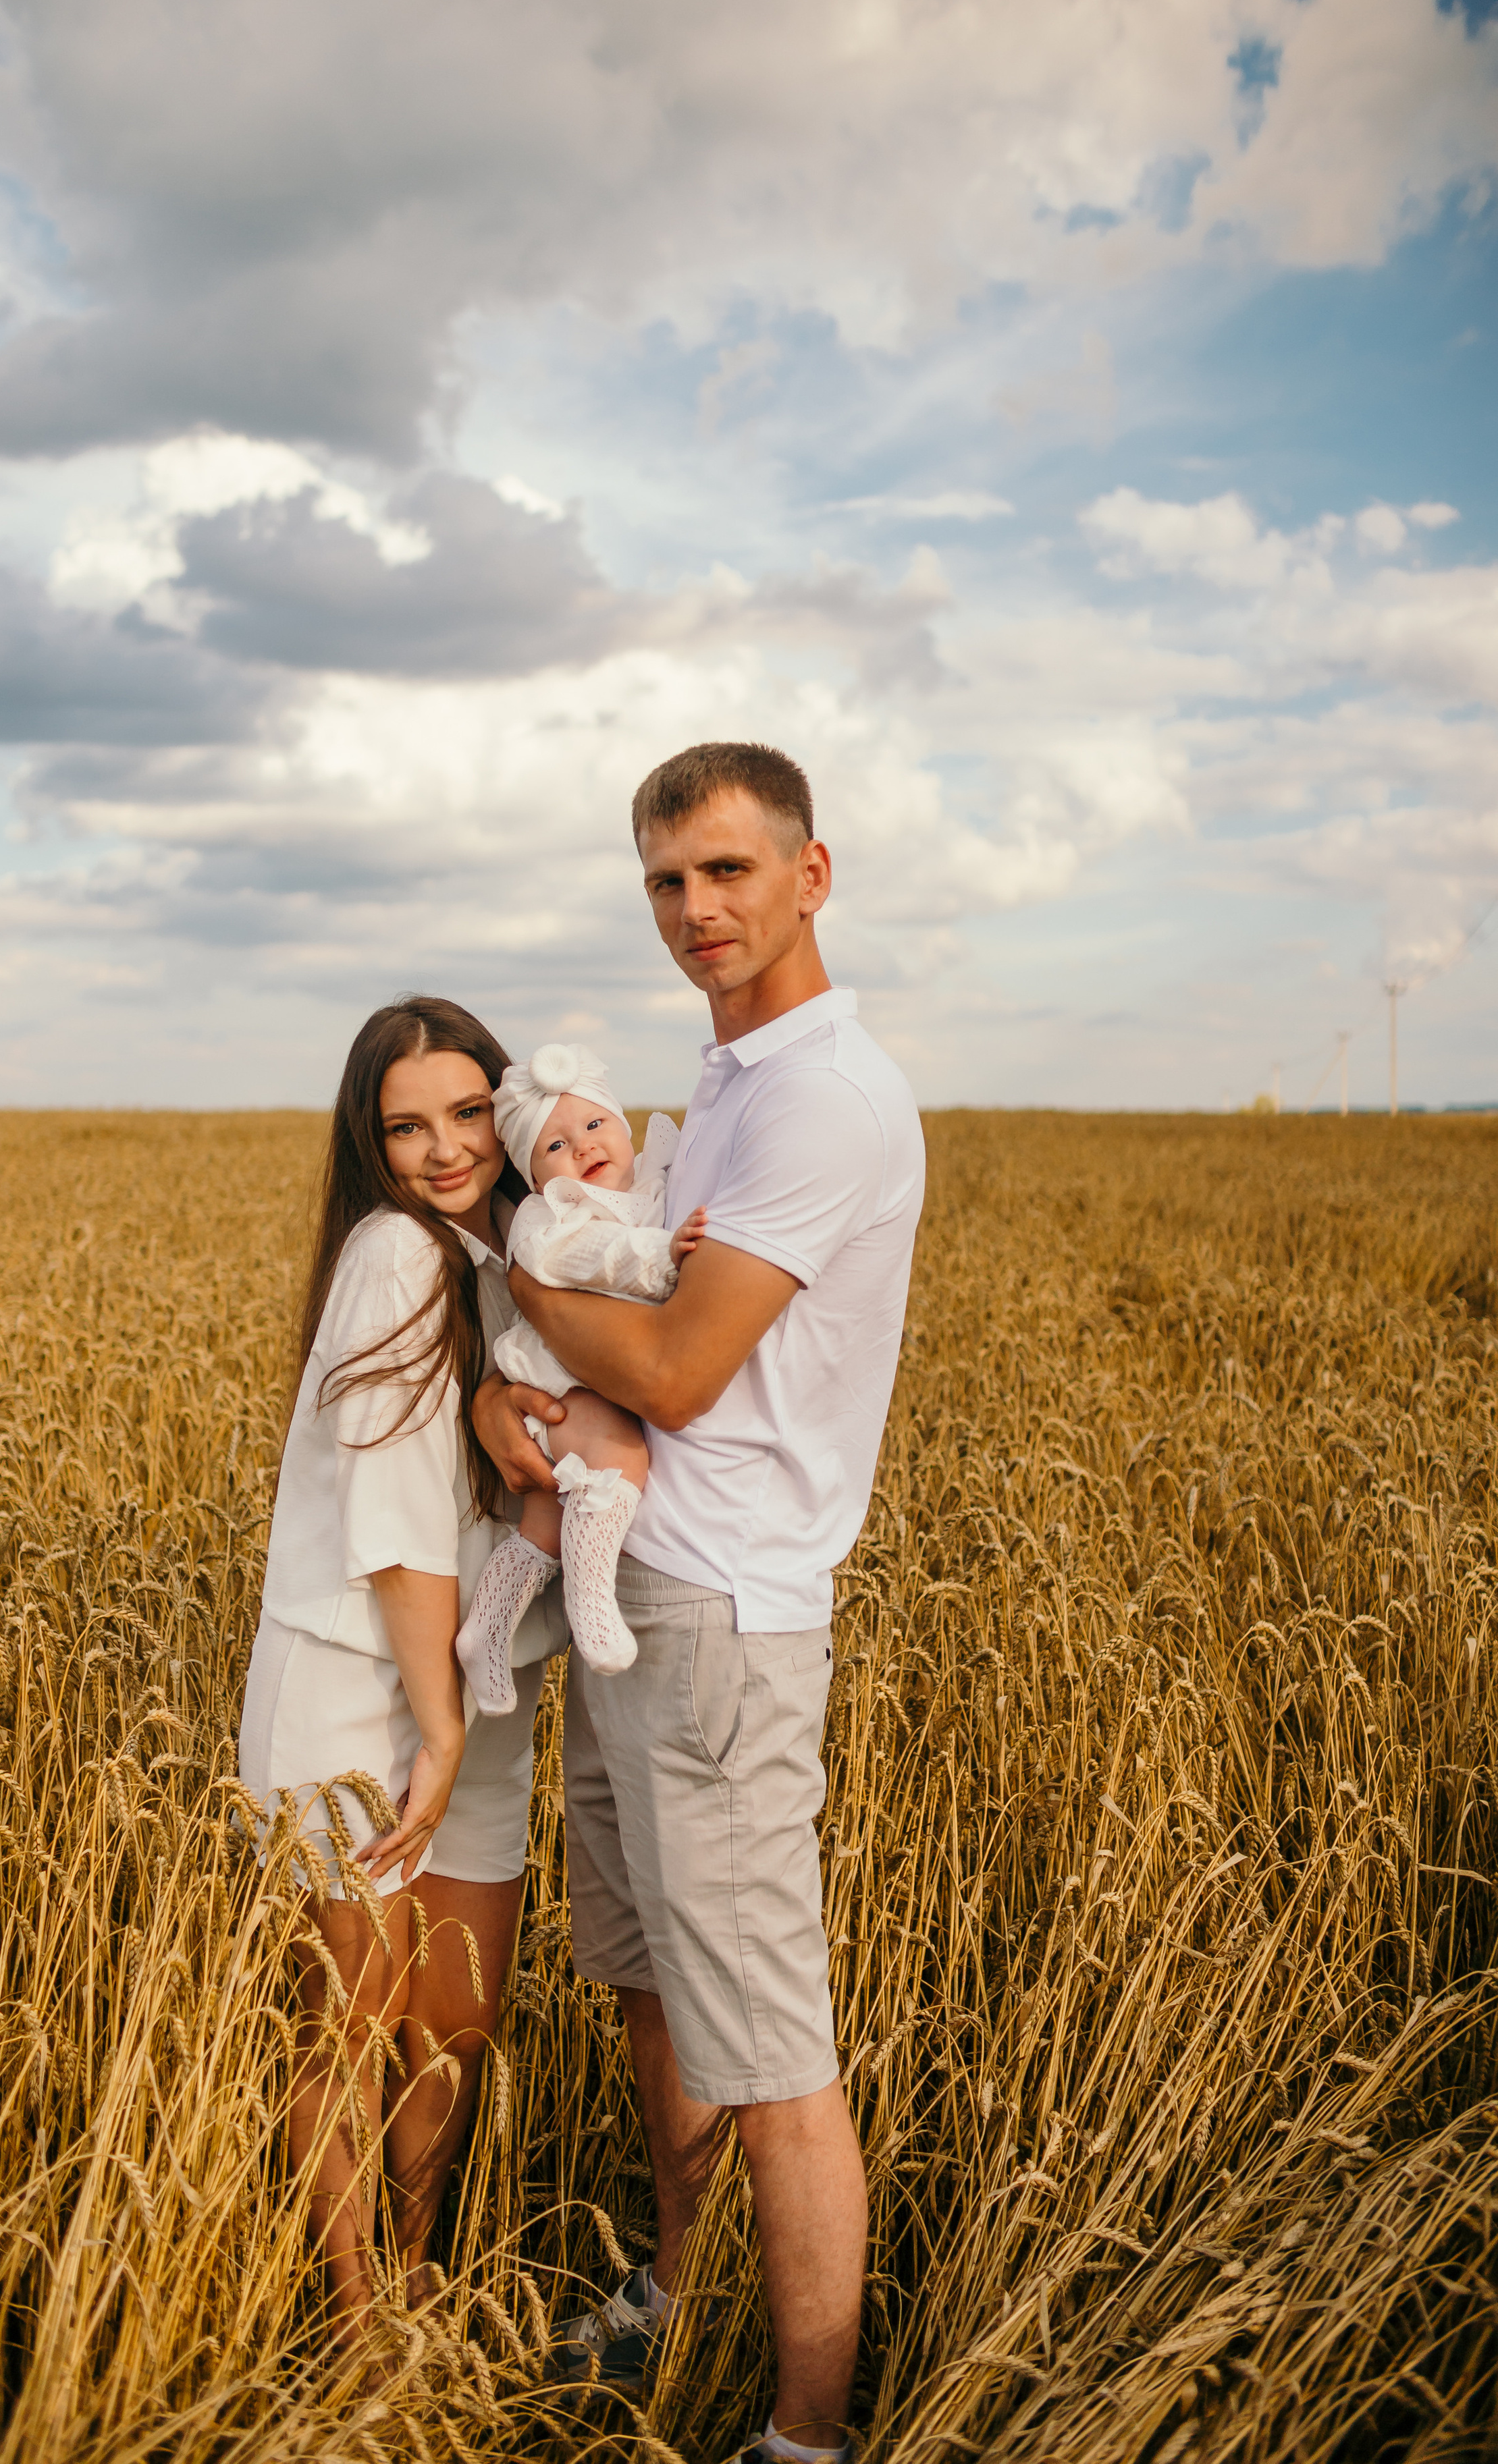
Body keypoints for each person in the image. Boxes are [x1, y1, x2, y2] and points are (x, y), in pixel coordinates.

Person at [473, 742, 926, 2464]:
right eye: (666, 879)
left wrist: (517, 1273)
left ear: (811, 875)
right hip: (639, 1585)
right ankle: (677, 2289)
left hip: (725, 1615)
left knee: (773, 2046)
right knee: (654, 1984)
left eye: (728, 871)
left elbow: (668, 1365)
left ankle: (805, 2434)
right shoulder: (722, 1081)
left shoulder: (821, 1098)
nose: (695, 909)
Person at [236, 995, 565, 2338]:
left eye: (469, 1112)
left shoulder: (508, 1260)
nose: (447, 1150)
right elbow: (392, 1523)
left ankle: (417, 2266)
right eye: (407, 1128)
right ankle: (359, 2318)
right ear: (368, 1148)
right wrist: (436, 1731)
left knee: (456, 2019)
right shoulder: (391, 1254)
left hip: (474, 1693)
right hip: (358, 1691)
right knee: (352, 2020)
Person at [455, 1041, 705, 1713]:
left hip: (593, 1372)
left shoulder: (653, 1183)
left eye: (595, 1125)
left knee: (543, 1520)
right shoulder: (550, 1219)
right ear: (534, 1175)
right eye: (556, 1146)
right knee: (620, 1455)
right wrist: (663, 1253)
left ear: (622, 1124)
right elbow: (591, 1255)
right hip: (563, 1379)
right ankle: (591, 1603)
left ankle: (485, 1632)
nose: (584, 1147)